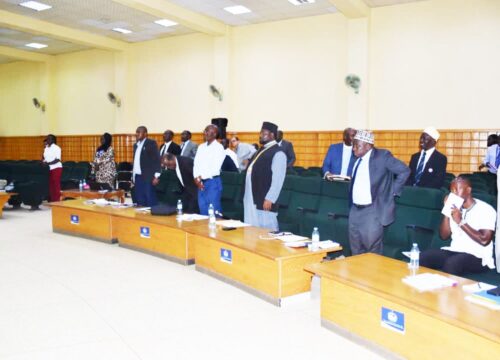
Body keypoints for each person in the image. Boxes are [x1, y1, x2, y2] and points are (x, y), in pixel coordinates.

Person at [348, 130, 410, 255]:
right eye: (353, 145)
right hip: (355, 210)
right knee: (355, 248)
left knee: (371, 252)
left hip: (372, 210)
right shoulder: (357, 160)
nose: (353, 149)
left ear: (368, 146)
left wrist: (392, 192)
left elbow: (404, 171)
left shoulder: (382, 156)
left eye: (357, 145)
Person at [420, 176, 496, 276]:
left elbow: (484, 240)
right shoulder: (454, 208)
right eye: (451, 191)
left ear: (468, 190)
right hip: (455, 250)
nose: (453, 194)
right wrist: (447, 211)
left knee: (452, 263)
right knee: (424, 256)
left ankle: (448, 291)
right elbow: (444, 235)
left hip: (479, 256)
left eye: (456, 190)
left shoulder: (485, 209)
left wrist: (460, 221)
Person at [243, 122, 287, 231]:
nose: (260, 135)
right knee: (251, 231)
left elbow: (278, 179)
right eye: (260, 133)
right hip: (252, 197)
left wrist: (270, 198)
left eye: (263, 133)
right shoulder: (261, 150)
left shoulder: (278, 153)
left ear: (272, 135)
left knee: (267, 231)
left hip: (264, 200)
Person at [193, 124, 226, 215]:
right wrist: (196, 178)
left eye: (207, 131)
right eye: (205, 131)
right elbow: (196, 164)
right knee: (202, 209)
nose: (205, 133)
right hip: (200, 182)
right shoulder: (201, 147)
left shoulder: (219, 148)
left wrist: (200, 177)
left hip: (212, 182)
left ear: (215, 134)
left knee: (213, 211)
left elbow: (215, 167)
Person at [132, 126, 161, 207]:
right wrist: (133, 176)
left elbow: (157, 160)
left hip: (148, 177)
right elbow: (135, 162)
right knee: (139, 200)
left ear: (145, 134)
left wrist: (157, 176)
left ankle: (152, 218)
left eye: (139, 132)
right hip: (137, 177)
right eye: (136, 132)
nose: (136, 134)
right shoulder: (135, 145)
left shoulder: (151, 143)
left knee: (150, 199)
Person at [42, 134, 62, 202]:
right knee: (50, 185)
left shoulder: (57, 148)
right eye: (47, 138)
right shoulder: (46, 148)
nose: (47, 140)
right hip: (48, 168)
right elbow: (45, 157)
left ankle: (57, 201)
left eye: (49, 139)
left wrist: (48, 163)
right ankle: (52, 200)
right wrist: (43, 162)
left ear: (53, 140)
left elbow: (58, 159)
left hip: (56, 168)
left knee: (56, 185)